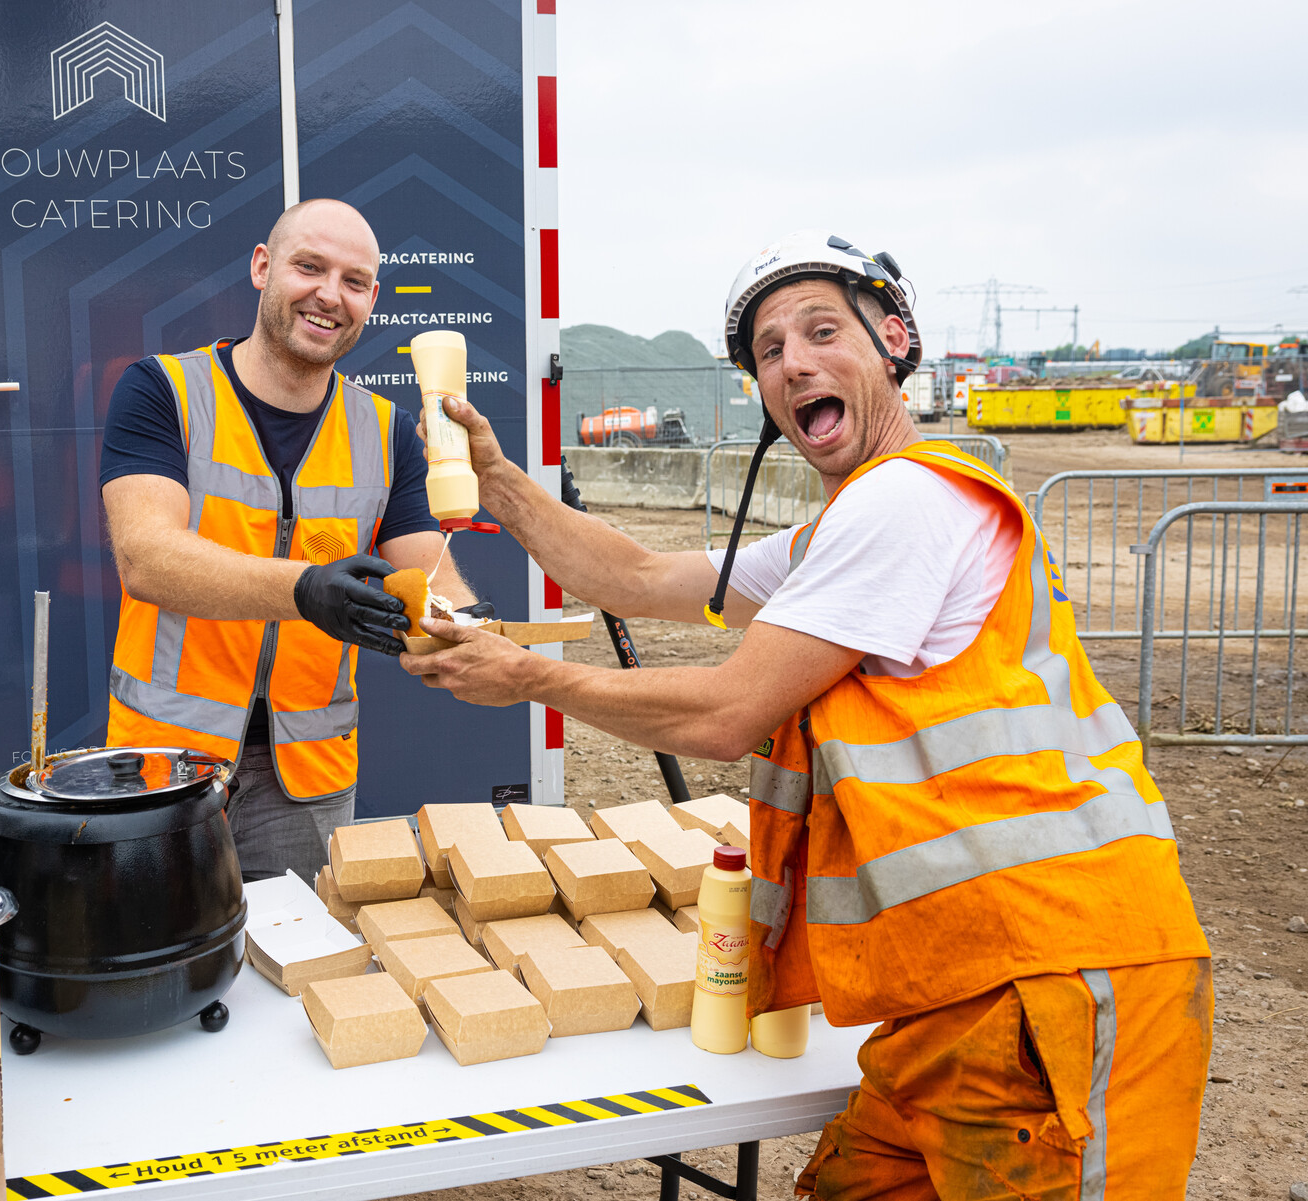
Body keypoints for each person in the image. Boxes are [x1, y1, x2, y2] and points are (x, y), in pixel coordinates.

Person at [400, 231, 1212, 1198]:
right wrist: (498, 481)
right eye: (770, 351)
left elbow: (726, 712)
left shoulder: (909, 503)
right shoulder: (849, 525)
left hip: (1056, 972)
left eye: (822, 330)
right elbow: (643, 575)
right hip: (962, 986)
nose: (793, 362)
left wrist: (531, 677)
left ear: (894, 342)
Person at [100, 198, 480, 884]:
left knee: (302, 977)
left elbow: (434, 579)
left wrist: (474, 633)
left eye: (355, 281)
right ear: (262, 268)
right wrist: (306, 590)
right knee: (166, 969)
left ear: (371, 301)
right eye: (310, 267)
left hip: (307, 777)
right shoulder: (164, 391)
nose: (330, 295)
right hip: (166, 768)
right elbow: (146, 557)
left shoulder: (388, 432)